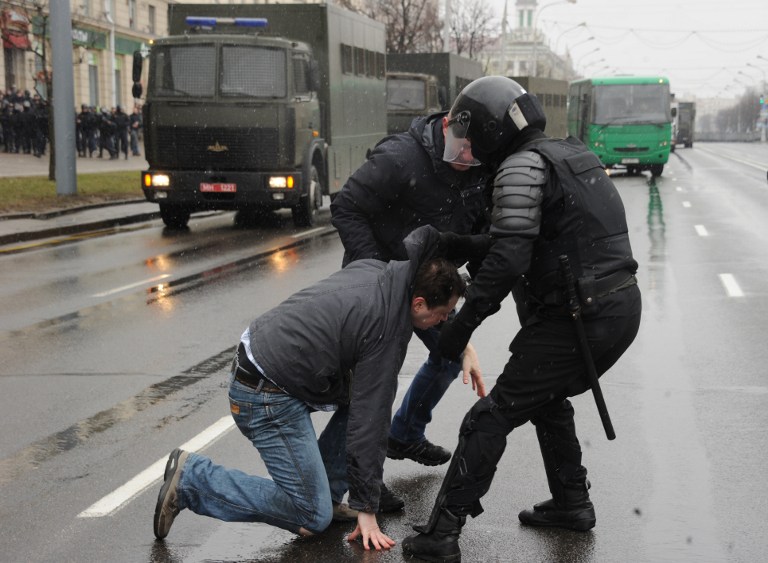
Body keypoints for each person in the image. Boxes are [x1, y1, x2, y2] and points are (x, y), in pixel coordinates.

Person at [402, 76, 643, 562]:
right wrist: (456, 244)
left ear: (492, 129)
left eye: (470, 133)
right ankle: (572, 503)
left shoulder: (521, 165)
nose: (467, 145)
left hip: (580, 317)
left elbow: (509, 256)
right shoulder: (569, 154)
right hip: (614, 307)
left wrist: (459, 331)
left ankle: (443, 534)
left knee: (491, 415)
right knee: (547, 399)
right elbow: (520, 238)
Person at [153, 225, 489, 551]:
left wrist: (461, 347)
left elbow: (367, 408)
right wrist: (367, 509)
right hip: (264, 393)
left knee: (360, 399)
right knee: (311, 516)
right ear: (418, 304)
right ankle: (193, 480)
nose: (446, 320)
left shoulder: (388, 272)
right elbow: (369, 422)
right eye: (444, 314)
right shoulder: (385, 328)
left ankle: (324, 492)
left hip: (273, 360)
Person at [330, 108, 491, 469]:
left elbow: (481, 234)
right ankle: (359, 476)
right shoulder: (401, 158)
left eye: (475, 153)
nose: (467, 160)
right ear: (447, 126)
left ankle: (403, 435)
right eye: (462, 149)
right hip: (381, 283)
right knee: (372, 385)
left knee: (452, 357)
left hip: (431, 287)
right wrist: (375, 270)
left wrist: (483, 293)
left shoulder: (482, 173)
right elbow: (345, 206)